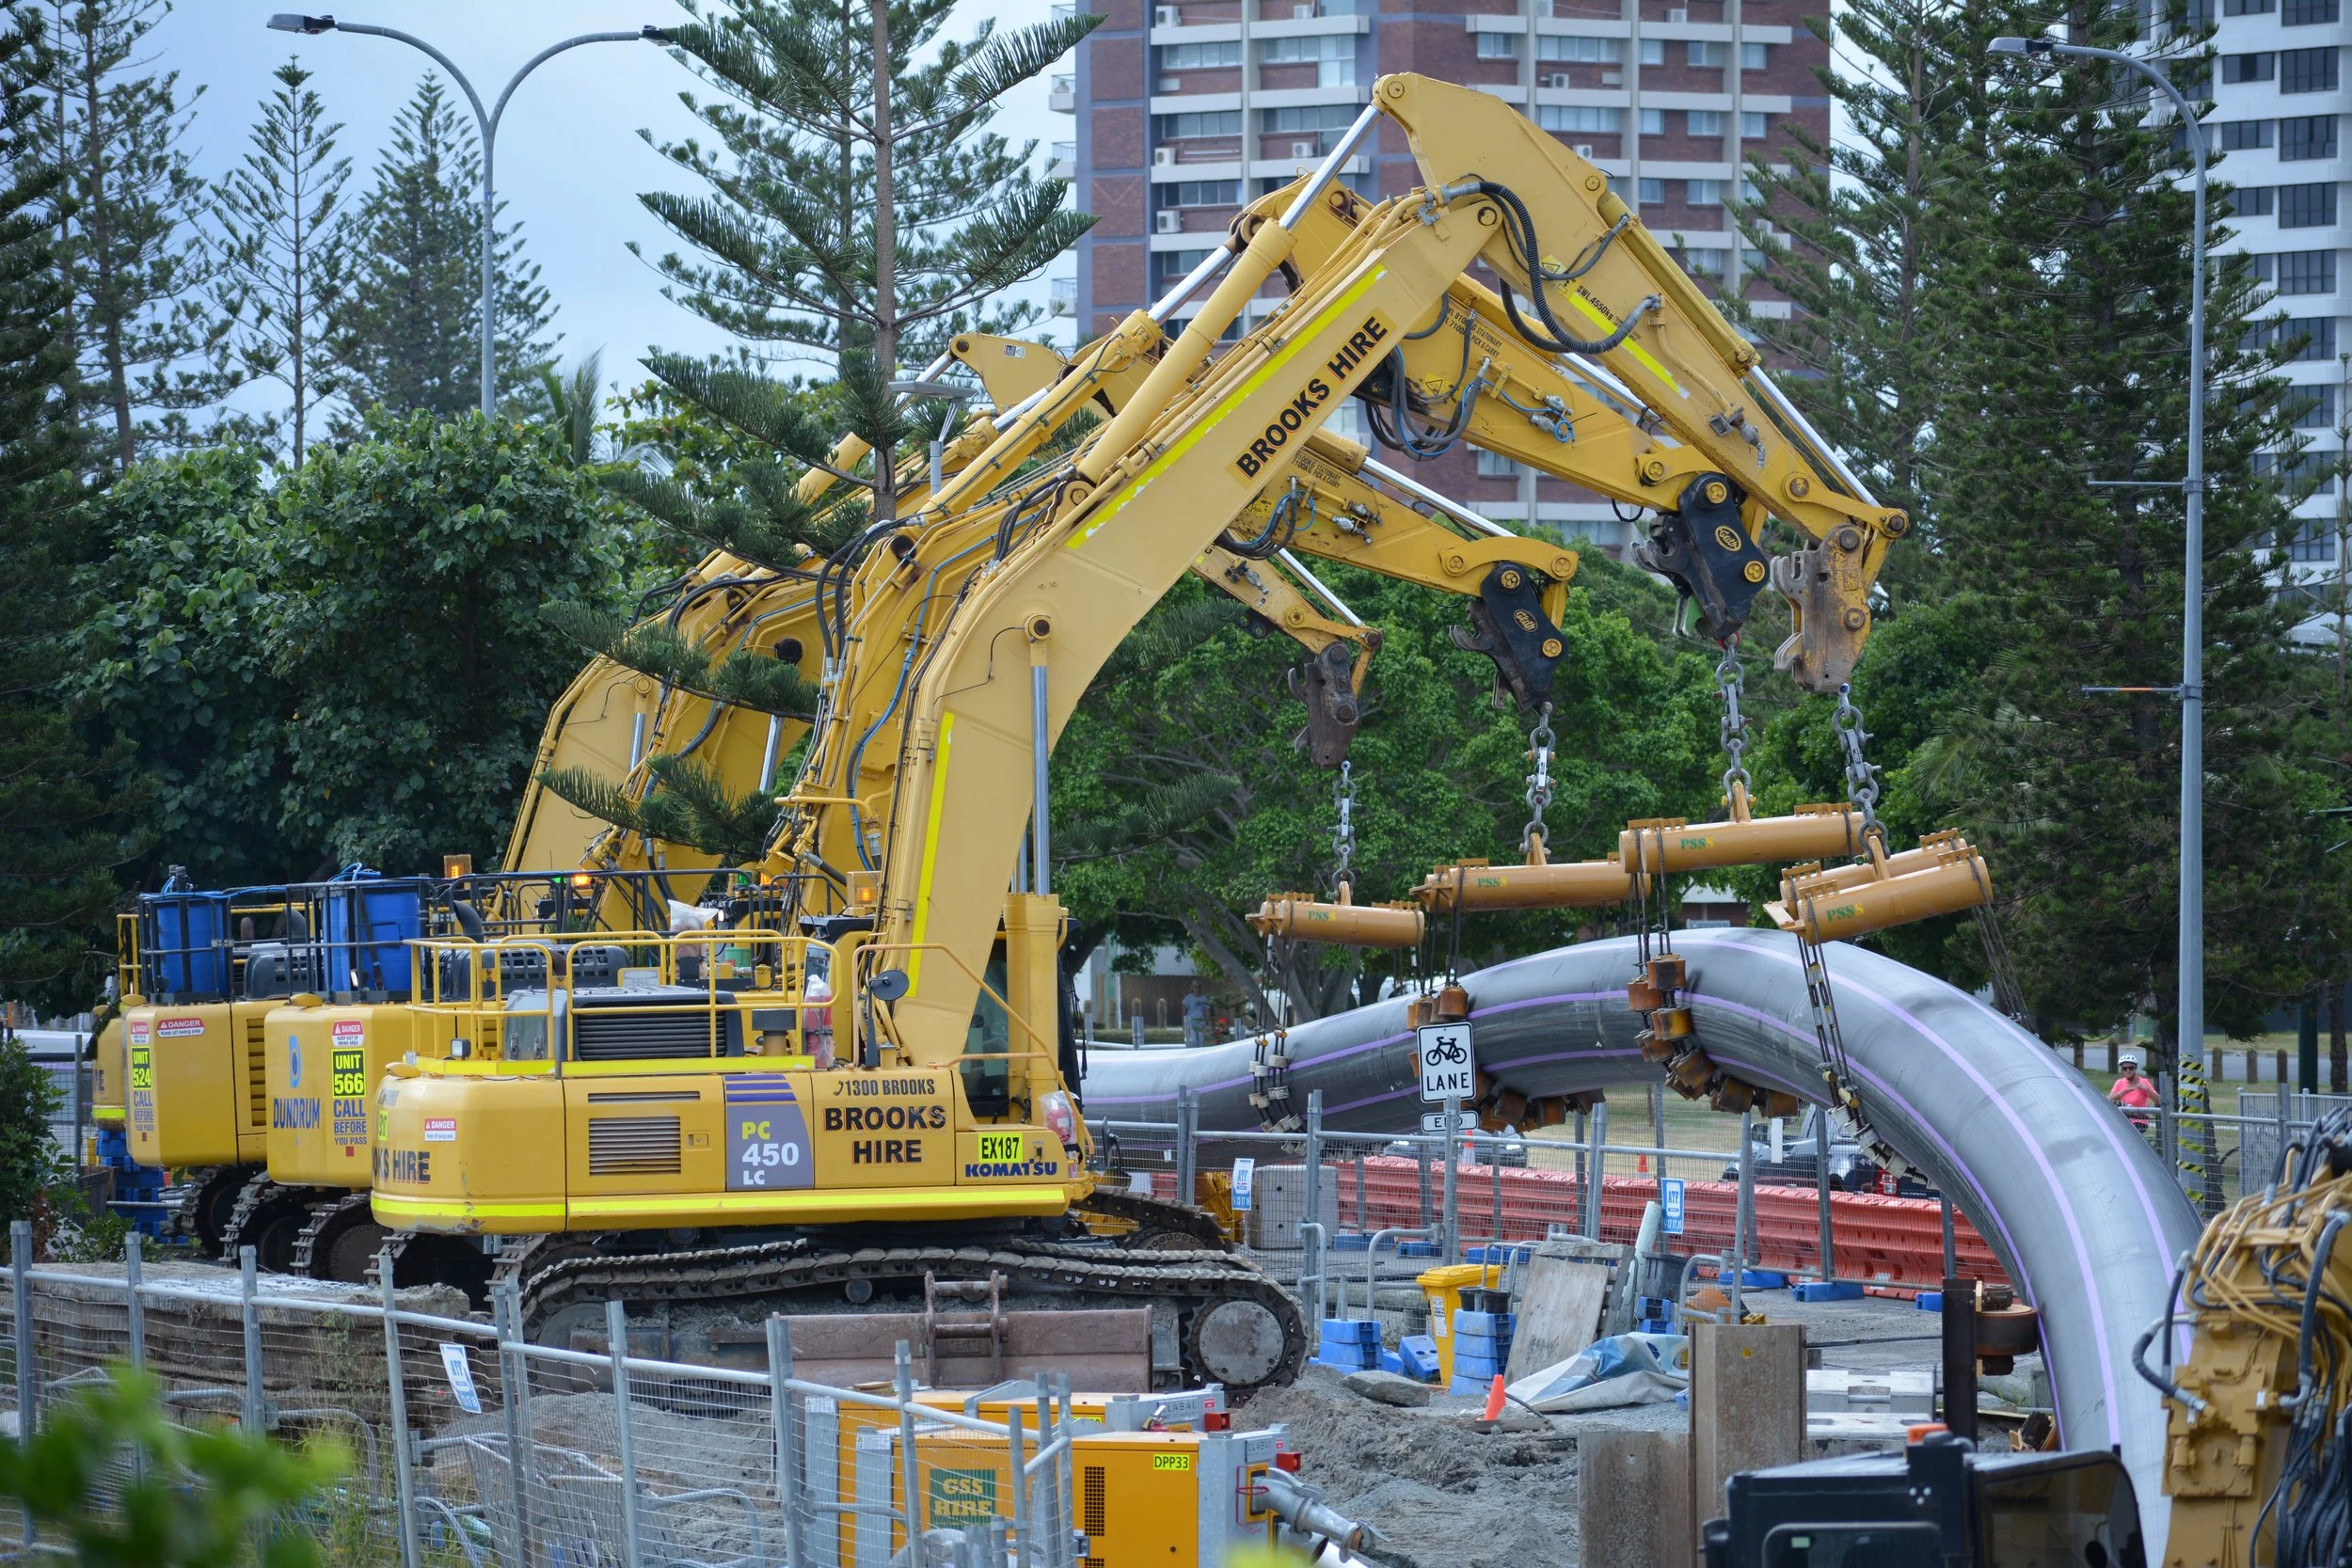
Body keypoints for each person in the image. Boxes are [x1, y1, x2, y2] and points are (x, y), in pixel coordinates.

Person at [2108, 1052, 2159, 1127]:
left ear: (2135, 1068)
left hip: (2139, 1121)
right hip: (2124, 1120)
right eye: (2125, 1068)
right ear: (2122, 1070)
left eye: (2131, 1068)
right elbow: (2109, 1099)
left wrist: (2146, 1089)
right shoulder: (2119, 1082)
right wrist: (2126, 1090)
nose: (2128, 1070)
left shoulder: (2143, 1082)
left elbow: (2158, 1100)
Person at [1182, 980, 1211, 1049]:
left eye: (1199, 987)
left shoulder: (1204, 998)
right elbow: (1183, 1012)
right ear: (1192, 988)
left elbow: (1207, 1011)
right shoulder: (1188, 998)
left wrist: (1208, 1022)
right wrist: (1184, 1024)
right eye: (1195, 987)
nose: (1197, 988)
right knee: (1193, 1041)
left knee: (1201, 1042)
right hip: (1191, 1024)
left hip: (1201, 1024)